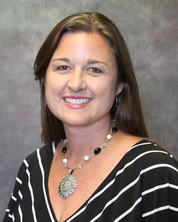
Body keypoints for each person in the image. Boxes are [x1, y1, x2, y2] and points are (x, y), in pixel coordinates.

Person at [3, 12, 178, 222]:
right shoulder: (33, 168)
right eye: (63, 67)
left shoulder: (155, 172)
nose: (76, 84)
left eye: (94, 69)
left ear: (119, 84)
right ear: (44, 78)